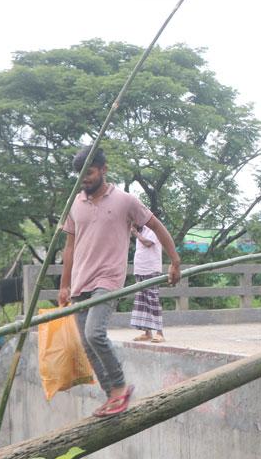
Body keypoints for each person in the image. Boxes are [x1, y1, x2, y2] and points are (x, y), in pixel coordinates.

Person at [58, 145, 181, 417]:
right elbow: (69, 246)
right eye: (80, 174)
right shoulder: (75, 203)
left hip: (108, 278)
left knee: (94, 333)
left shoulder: (125, 201)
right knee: (86, 343)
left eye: (88, 173)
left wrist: (174, 261)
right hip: (81, 281)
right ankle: (112, 395)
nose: (84, 179)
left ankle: (120, 387)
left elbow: (157, 226)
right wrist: (64, 285)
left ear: (103, 169)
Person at [130, 225, 166, 343]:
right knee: (142, 301)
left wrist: (135, 233)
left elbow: (148, 243)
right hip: (140, 269)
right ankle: (147, 332)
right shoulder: (140, 231)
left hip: (151, 269)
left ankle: (159, 332)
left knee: (152, 300)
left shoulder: (151, 229)